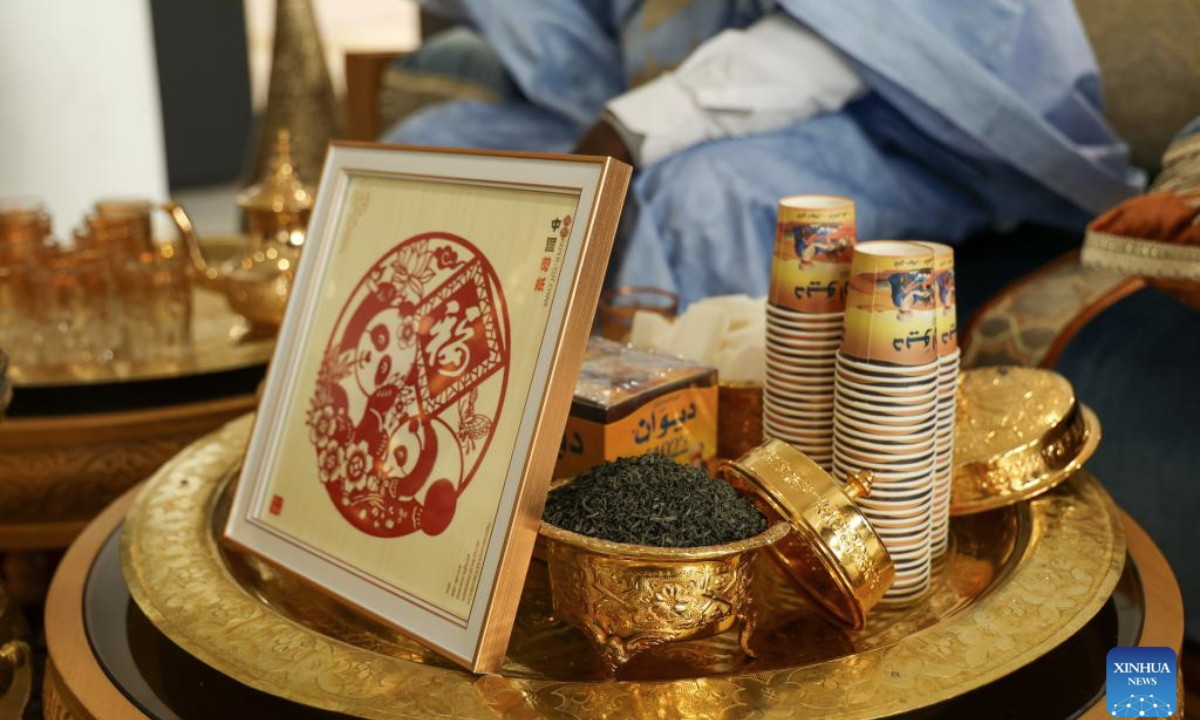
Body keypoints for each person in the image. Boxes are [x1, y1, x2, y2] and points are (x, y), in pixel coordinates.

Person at [384, 0, 1144, 307]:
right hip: (672, 96)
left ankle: (669, 501)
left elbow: (840, 39)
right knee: (432, 150)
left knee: (701, 198)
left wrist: (623, 136)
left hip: (909, 126)